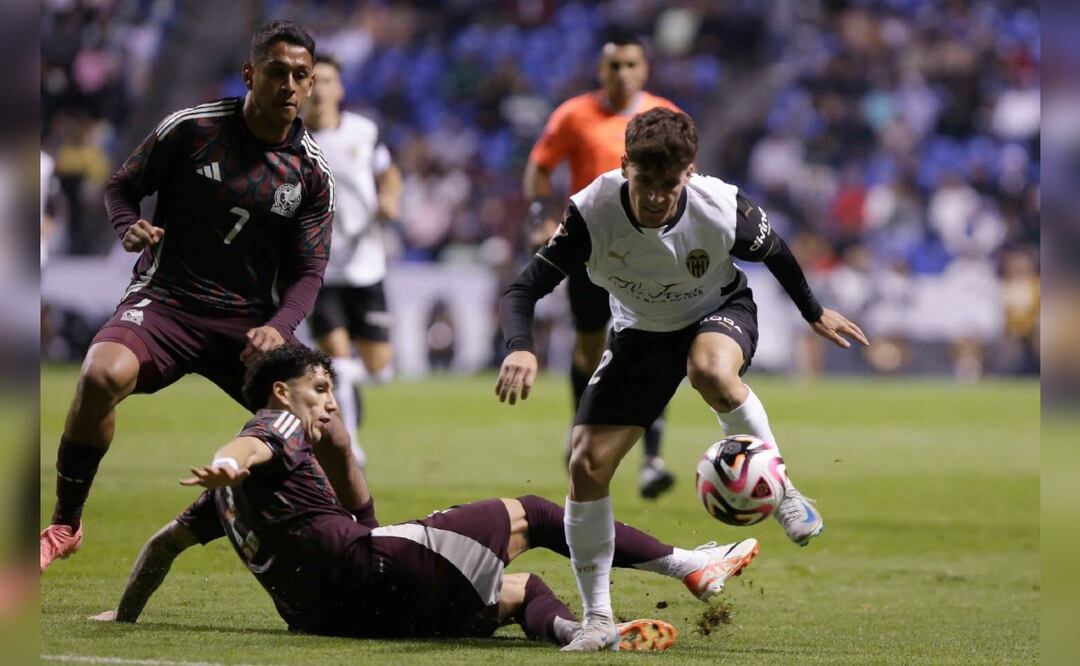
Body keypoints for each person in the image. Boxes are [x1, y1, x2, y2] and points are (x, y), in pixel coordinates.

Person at [89, 345, 760, 652]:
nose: (326, 399)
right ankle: (687, 565)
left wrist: (124, 615)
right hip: (371, 570)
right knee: (534, 510)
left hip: (337, 619)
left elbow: (161, 545)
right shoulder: (276, 426)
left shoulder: (226, 507)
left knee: (518, 592)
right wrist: (225, 464)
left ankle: (587, 637)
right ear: (282, 392)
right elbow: (253, 448)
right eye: (319, 387)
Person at [496, 108, 869, 650]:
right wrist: (521, 348)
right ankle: (598, 619)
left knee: (709, 369)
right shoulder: (590, 212)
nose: (654, 197)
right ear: (625, 166)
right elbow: (522, 290)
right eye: (644, 181)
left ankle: (782, 488)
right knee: (586, 464)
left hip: (718, 310)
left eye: (667, 185)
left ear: (689, 173)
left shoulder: (722, 207)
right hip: (640, 334)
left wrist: (813, 312)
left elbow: (778, 251)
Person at [39, 20, 350, 574]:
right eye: (277, 72)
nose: (289, 85)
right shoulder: (192, 128)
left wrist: (280, 326)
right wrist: (128, 224)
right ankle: (66, 523)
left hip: (248, 322)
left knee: (333, 434)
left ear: (309, 85)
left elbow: (310, 270)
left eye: (301, 75)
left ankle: (371, 540)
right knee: (98, 376)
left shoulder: (312, 172)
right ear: (250, 73)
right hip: (167, 300)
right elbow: (121, 186)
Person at [523, 33, 680, 499]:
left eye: (631, 64)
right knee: (590, 349)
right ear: (601, 69)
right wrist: (540, 218)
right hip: (591, 249)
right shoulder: (573, 115)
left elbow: (687, 179)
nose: (623, 74)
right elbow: (539, 166)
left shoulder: (664, 117)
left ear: (644, 69)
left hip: (651, 250)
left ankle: (652, 458)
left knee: (655, 345)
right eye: (615, 65)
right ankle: (582, 430)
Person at [303, 54, 402, 469]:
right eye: (315, 80)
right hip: (319, 269)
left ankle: (343, 381)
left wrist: (390, 198)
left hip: (366, 265)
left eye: (328, 80)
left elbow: (389, 172)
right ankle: (352, 449)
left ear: (340, 88)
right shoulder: (293, 140)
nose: (321, 88)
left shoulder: (364, 131)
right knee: (337, 361)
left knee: (379, 370)